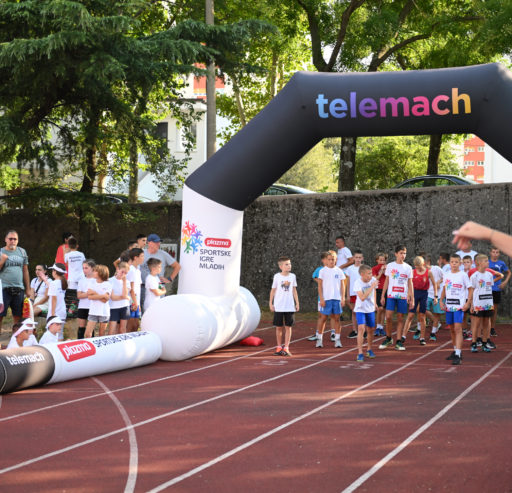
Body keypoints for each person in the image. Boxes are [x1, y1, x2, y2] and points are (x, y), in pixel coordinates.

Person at [379, 245, 413, 351]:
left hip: (402, 296)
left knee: (400, 318)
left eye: (404, 253)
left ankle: (398, 341)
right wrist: (382, 295)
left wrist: (411, 296)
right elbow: (387, 281)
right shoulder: (390, 266)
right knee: (388, 317)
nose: (403, 255)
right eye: (401, 253)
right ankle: (388, 338)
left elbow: (410, 283)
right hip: (391, 295)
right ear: (396, 254)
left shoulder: (408, 267)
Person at [468, 253, 503, 353]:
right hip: (478, 303)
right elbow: (471, 290)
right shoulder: (474, 276)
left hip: (488, 302)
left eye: (487, 260)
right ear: (479, 263)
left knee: (487, 323)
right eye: (486, 261)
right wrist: (471, 304)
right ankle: (474, 343)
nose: (488, 262)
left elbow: (489, 287)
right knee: (477, 324)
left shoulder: (489, 275)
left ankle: (484, 343)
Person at [439, 254, 471, 365]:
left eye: (456, 262)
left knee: (458, 329)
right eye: (452, 262)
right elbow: (444, 288)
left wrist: (468, 303)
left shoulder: (463, 275)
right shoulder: (447, 275)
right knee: (452, 329)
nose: (453, 264)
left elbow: (470, 289)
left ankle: (458, 353)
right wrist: (441, 300)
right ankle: (455, 350)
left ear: (460, 263)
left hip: (459, 306)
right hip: (449, 306)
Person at [403, 256, 437, 346]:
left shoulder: (428, 272)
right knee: (410, 315)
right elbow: (408, 284)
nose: (417, 268)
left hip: (423, 294)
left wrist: (436, 296)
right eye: (416, 266)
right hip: (415, 293)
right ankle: (403, 336)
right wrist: (408, 295)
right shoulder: (413, 272)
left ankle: (422, 338)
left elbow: (434, 284)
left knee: (422, 316)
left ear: (423, 264)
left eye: (419, 266)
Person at [140, 234, 180, 311]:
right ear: (149, 243)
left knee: (158, 309)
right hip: (142, 287)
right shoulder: (141, 253)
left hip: (158, 285)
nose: (158, 244)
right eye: (156, 242)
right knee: (143, 312)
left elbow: (177, 266)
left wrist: (170, 279)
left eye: (159, 242)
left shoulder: (163, 254)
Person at [269, 256, 299, 356]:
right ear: (281, 266)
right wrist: (270, 303)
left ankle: (286, 347)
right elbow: (273, 290)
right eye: (286, 264)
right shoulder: (277, 276)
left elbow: (294, 290)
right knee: (278, 327)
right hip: (279, 306)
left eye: (290, 264)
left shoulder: (292, 276)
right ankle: (278, 347)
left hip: (289, 306)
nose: (289, 266)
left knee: (288, 327)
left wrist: (297, 302)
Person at [0, 230, 30, 331]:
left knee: (18, 316)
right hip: (3, 288)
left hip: (19, 288)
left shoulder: (22, 252)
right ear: (5, 240)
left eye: (15, 239)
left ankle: (16, 340)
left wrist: (28, 288)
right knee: (0, 315)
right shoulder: (1, 252)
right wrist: (2, 261)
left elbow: (25, 270)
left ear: (17, 240)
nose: (12, 241)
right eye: (10, 239)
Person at [316, 251, 346, 348]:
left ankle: (337, 339)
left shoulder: (339, 271)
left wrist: (343, 298)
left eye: (333, 259)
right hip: (326, 298)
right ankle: (319, 339)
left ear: (336, 259)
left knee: (337, 319)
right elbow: (320, 286)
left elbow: (342, 285)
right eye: (329, 259)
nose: (331, 261)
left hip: (336, 299)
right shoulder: (322, 271)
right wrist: (322, 298)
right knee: (323, 318)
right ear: (326, 260)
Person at [353, 265, 378, 362]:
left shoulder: (373, 280)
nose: (371, 275)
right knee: (361, 328)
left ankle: (369, 349)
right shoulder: (357, 283)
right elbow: (362, 298)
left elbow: (374, 291)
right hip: (360, 309)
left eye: (371, 273)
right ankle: (360, 352)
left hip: (370, 309)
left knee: (371, 329)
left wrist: (375, 303)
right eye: (368, 274)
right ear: (362, 274)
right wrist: (372, 286)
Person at [488, 246, 510, 336]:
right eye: (493, 252)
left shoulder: (501, 263)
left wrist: (505, 282)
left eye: (497, 252)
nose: (495, 254)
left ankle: (492, 328)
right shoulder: (486, 262)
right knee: (486, 309)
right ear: (490, 253)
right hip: (486, 289)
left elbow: (509, 272)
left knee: (494, 309)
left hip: (496, 289)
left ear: (499, 254)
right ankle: (486, 328)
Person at [85, 265, 112, 338]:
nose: (93, 272)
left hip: (104, 312)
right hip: (93, 311)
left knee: (101, 334)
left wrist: (94, 293)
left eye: (95, 271)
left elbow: (104, 300)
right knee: (88, 334)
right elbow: (90, 297)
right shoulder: (91, 283)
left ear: (101, 273)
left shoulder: (108, 284)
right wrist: (102, 295)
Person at [309, 252, 331, 342]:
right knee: (321, 316)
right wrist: (320, 282)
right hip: (321, 297)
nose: (329, 261)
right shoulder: (319, 269)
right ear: (323, 260)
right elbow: (314, 276)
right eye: (327, 259)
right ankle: (318, 334)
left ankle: (334, 334)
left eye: (331, 259)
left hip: (332, 297)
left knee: (332, 316)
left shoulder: (334, 269)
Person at [64, 237, 85, 319]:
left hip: (72, 278)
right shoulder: (81, 254)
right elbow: (84, 263)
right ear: (77, 245)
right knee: (80, 295)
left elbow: (65, 262)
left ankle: (71, 311)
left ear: (69, 246)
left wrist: (66, 251)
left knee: (72, 295)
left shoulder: (67, 255)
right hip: (81, 277)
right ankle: (77, 310)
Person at [345, 251, 364, 339]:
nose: (358, 259)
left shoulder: (364, 268)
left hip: (362, 293)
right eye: (356, 257)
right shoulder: (349, 269)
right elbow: (348, 283)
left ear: (362, 258)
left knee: (363, 311)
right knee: (354, 311)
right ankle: (355, 330)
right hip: (353, 293)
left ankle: (363, 330)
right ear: (353, 258)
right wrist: (347, 294)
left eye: (360, 257)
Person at [108, 261, 130, 335]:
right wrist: (125, 297)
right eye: (122, 272)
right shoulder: (110, 280)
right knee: (111, 330)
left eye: (126, 273)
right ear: (117, 269)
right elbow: (113, 297)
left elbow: (125, 294)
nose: (123, 274)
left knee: (122, 329)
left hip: (124, 307)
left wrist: (124, 282)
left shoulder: (127, 282)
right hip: (113, 307)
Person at [47, 263, 68, 341]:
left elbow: (54, 299)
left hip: (55, 313)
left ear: (55, 272)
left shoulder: (53, 283)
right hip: (62, 311)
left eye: (52, 270)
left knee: (52, 335)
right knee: (60, 334)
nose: (52, 272)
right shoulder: (63, 282)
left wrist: (52, 314)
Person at [425, 255, 443, 341]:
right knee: (423, 309)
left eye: (423, 264)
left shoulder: (437, 269)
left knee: (437, 314)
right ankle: (436, 323)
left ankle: (433, 333)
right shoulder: (423, 271)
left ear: (428, 262)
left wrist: (438, 282)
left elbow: (445, 277)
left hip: (438, 294)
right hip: (428, 293)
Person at [77, 259, 96, 339]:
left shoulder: (96, 280)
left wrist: (85, 294)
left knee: (91, 329)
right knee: (81, 328)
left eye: (86, 268)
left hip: (93, 307)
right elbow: (79, 295)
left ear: (92, 268)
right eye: (83, 268)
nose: (84, 270)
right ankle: (79, 344)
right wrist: (88, 293)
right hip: (82, 307)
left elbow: (97, 293)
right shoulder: (81, 281)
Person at [127, 247, 144, 332]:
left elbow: (138, 288)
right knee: (130, 326)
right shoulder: (131, 270)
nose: (143, 258)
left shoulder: (138, 270)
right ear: (135, 258)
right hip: (131, 302)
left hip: (136, 302)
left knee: (136, 325)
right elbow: (131, 289)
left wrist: (139, 304)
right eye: (141, 256)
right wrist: (135, 303)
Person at [371, 252, 388, 337]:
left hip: (386, 290)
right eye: (380, 260)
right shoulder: (374, 268)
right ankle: (377, 327)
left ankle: (381, 327)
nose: (382, 261)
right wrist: (381, 271)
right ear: (377, 260)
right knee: (380, 309)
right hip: (378, 290)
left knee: (384, 309)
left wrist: (386, 270)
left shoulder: (388, 268)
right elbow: (375, 279)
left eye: (383, 260)